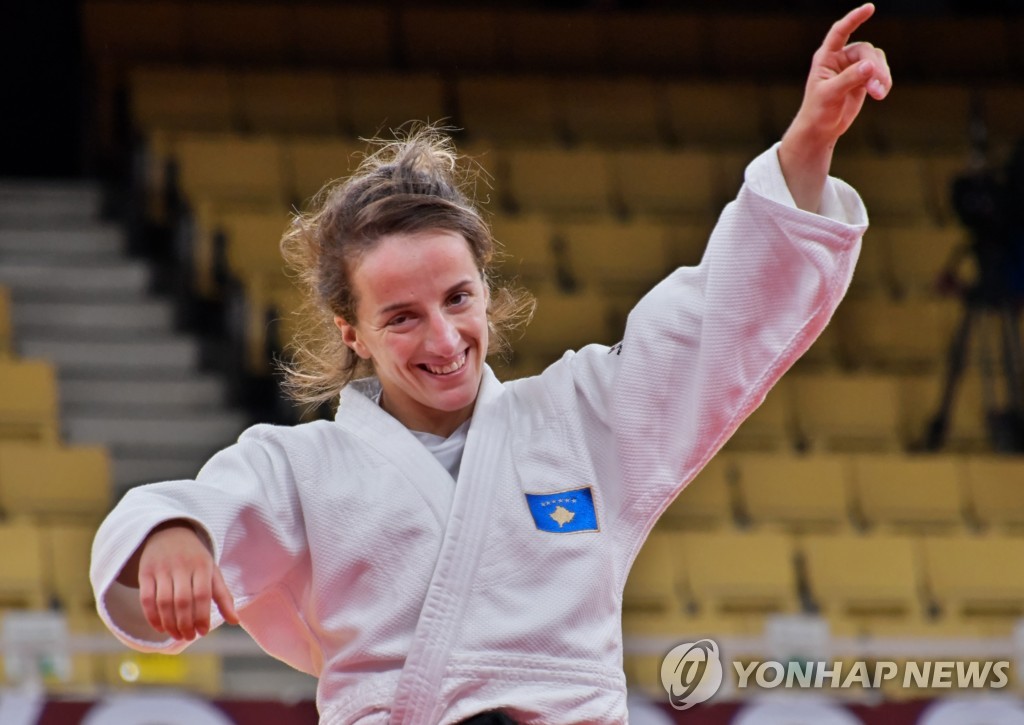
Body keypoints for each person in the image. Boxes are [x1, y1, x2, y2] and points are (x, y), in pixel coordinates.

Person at [90, 5, 891, 723]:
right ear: (352, 331)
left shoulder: (582, 418)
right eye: (401, 317)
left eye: (458, 299)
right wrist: (174, 535)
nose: (442, 340)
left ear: (486, 291)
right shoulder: (300, 467)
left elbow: (718, 321)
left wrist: (808, 143)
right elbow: (196, 509)